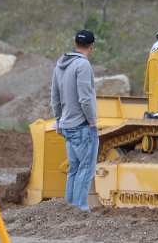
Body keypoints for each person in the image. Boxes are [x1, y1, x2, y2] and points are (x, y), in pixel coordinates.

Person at [51, 29, 99, 211]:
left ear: (75, 44)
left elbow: (54, 97)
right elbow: (85, 98)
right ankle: (80, 210)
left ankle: (68, 210)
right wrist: (93, 122)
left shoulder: (60, 65)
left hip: (66, 127)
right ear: (92, 46)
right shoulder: (83, 65)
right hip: (83, 127)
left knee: (74, 169)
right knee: (85, 170)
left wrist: (58, 120)